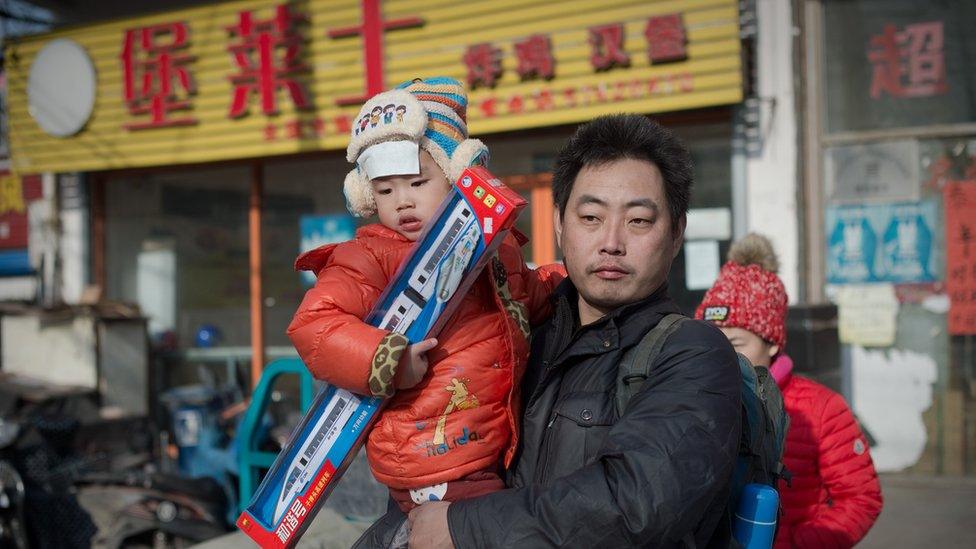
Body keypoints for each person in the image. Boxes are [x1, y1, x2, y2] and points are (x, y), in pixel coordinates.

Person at [407, 114, 743, 548]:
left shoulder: (693, 354)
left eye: (639, 220)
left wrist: (462, 527)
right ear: (560, 224)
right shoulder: (521, 337)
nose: (612, 242)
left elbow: (636, 502)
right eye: (591, 217)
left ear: (676, 234)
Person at [287, 77, 563, 539]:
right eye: (386, 190)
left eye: (418, 182)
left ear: (458, 178)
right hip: (429, 456)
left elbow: (530, 293)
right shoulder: (370, 257)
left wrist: (572, 280)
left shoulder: (495, 249)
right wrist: (386, 360)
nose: (403, 202)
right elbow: (314, 324)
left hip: (487, 441)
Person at [695, 233, 883, 548]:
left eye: (737, 344)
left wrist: (798, 542)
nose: (725, 356)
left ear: (771, 342)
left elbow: (862, 498)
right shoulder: (693, 399)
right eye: (714, 342)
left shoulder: (821, 409)